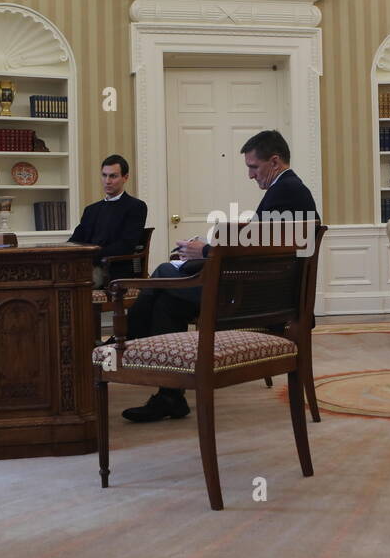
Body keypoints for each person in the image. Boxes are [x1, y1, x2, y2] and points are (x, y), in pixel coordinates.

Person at [120, 129, 319, 423]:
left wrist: (205, 251)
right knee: (167, 303)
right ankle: (168, 395)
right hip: (269, 296)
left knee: (164, 275)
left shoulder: (285, 191)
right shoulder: (290, 189)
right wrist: (206, 252)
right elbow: (256, 247)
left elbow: (250, 252)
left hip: (257, 302)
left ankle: (126, 342)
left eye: (253, 167)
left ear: (274, 161)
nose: (250, 175)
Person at [68, 154, 148, 287]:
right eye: (104, 175)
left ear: (125, 178)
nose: (107, 181)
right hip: (86, 265)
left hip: (113, 269)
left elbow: (126, 245)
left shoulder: (135, 207)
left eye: (113, 176)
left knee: (69, 283)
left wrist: (90, 258)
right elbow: (76, 240)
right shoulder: (91, 210)